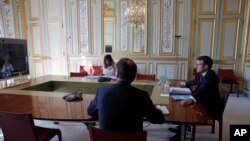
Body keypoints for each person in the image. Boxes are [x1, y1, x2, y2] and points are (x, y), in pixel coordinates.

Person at [87, 58, 165, 132]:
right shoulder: (142, 95)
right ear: (134, 76)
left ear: (116, 73)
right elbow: (158, 119)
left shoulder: (101, 91)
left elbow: (91, 112)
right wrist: (156, 109)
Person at [169, 56, 221, 141]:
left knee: (186, 107)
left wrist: (191, 98)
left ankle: (180, 134)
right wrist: (185, 84)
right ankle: (181, 128)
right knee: (183, 102)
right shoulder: (205, 74)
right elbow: (196, 81)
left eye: (198, 64)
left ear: (206, 66)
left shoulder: (211, 76)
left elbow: (202, 89)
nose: (196, 66)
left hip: (209, 107)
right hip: (203, 101)